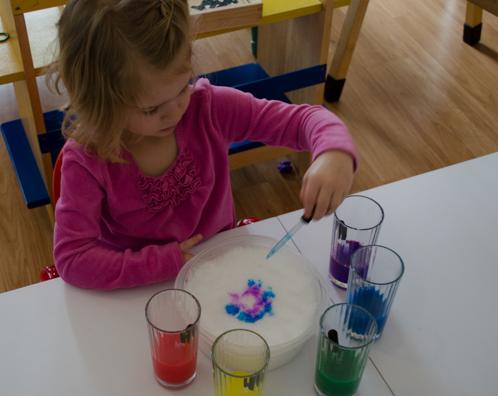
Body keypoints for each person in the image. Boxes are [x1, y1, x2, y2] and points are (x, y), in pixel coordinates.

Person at [48, 0, 358, 290]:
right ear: (99, 102)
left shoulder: (209, 109)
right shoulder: (88, 158)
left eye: (182, 87)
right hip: (140, 288)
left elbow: (306, 121)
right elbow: (73, 259)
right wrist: (165, 263)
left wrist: (334, 153)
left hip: (221, 270)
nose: (175, 112)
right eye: (151, 109)